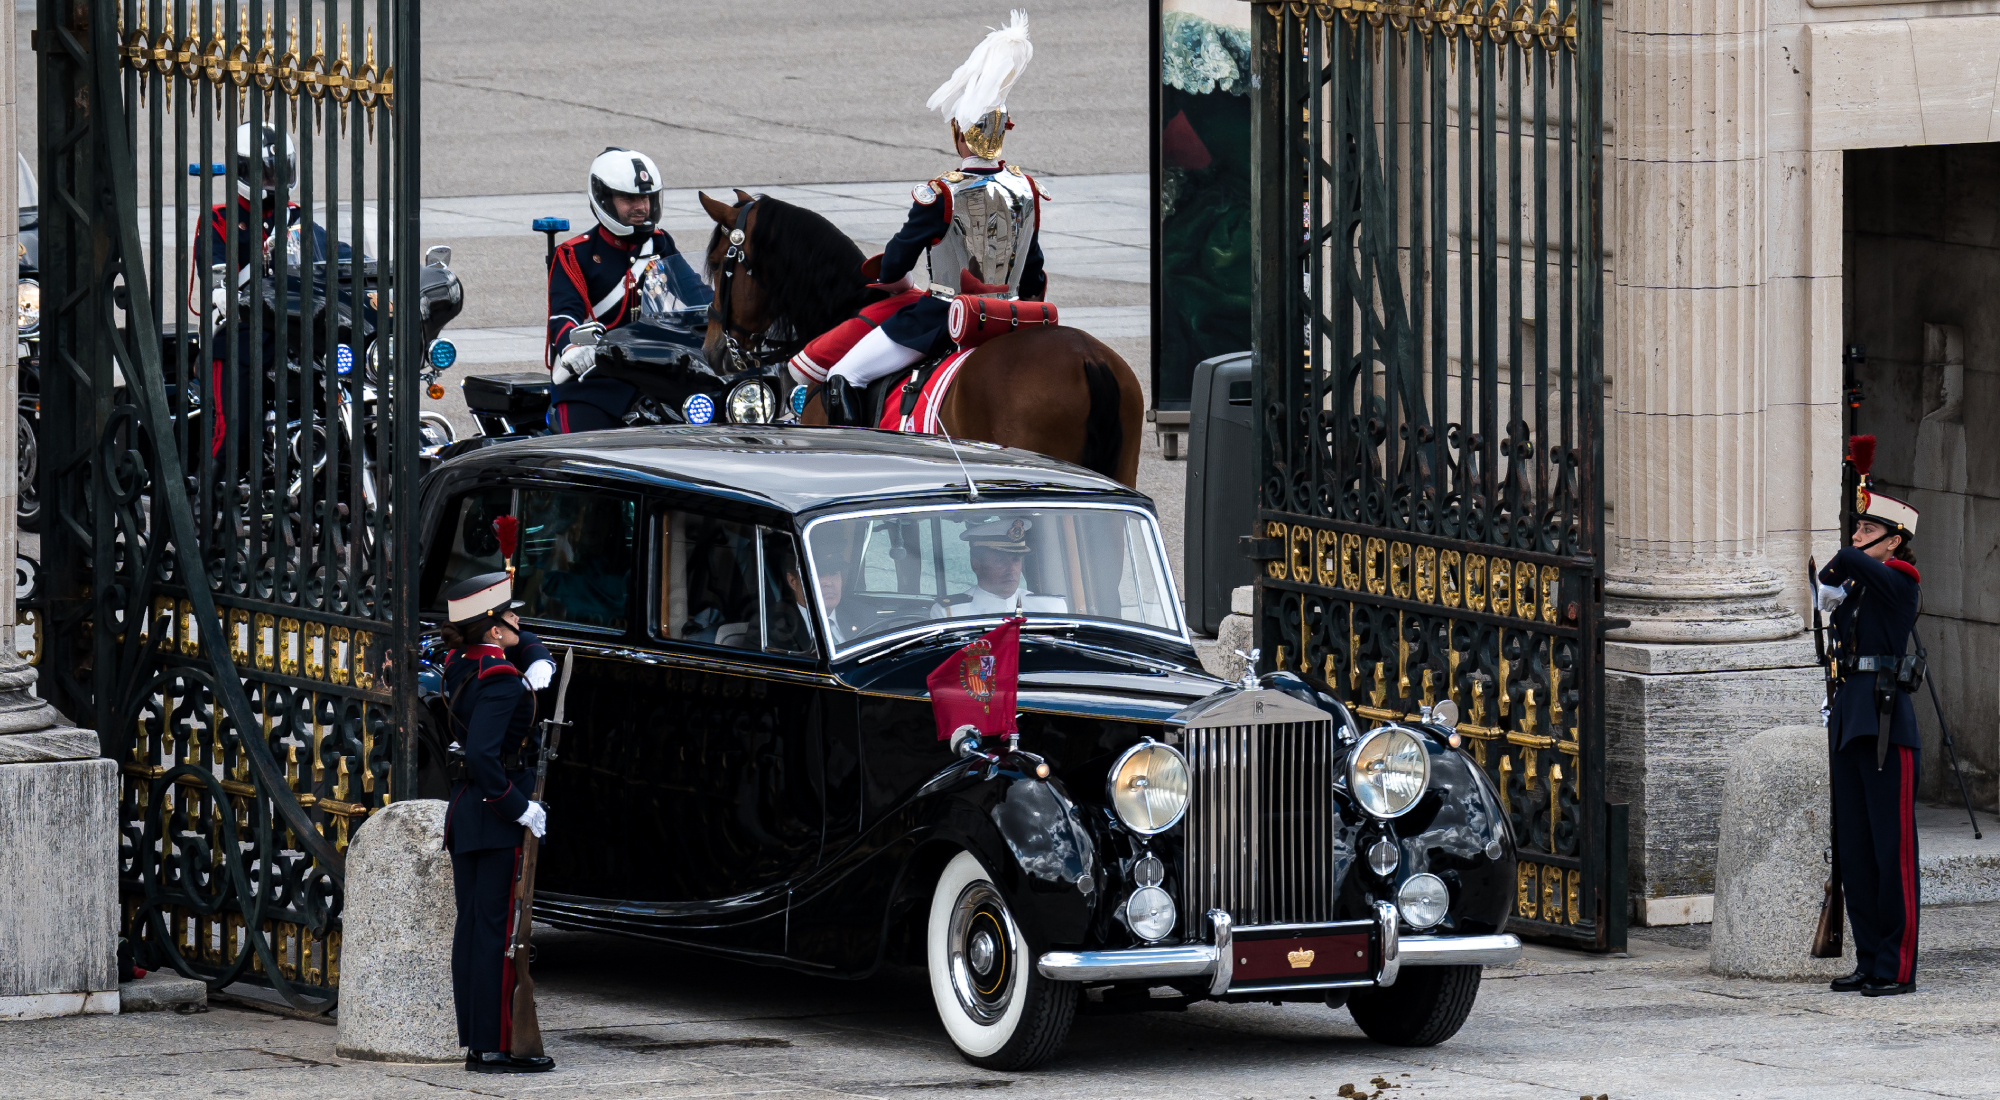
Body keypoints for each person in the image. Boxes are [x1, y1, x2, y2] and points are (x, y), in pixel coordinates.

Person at [806, 11, 1050, 425]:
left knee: (845, 373)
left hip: (942, 319)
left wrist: (894, 274)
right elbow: (1034, 273)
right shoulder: (1028, 188)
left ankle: (857, 456)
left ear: (960, 133)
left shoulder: (942, 192)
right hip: (1010, 317)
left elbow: (897, 263)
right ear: (1002, 132)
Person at [1814, 449, 1922, 998]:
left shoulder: (1899, 580)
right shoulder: (1860, 587)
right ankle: (1866, 956)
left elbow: (1843, 561)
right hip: (1850, 723)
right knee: (1855, 850)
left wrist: (1851, 551)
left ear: (1895, 539)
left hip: (1886, 726)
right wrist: (1849, 552)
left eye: (1870, 527)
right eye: (1858, 525)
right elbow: (1829, 579)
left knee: (1891, 852)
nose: (1858, 534)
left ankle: (1896, 965)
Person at [439, 572, 557, 1072]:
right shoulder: (502, 681)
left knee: (473, 929)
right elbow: (486, 758)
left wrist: (535, 653)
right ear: (491, 631)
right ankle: (489, 1048)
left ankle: (478, 1039)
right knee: (492, 932)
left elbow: (518, 636)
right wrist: (520, 808)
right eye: (509, 617)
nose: (518, 622)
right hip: (494, 816)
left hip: (467, 812)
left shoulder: (459, 662)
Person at [546, 147, 713, 433]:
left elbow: (697, 296)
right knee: (585, 450)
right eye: (629, 198)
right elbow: (563, 316)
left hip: (656, 372)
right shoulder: (575, 254)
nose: (642, 207)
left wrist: (735, 317)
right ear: (604, 199)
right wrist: (573, 347)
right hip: (595, 380)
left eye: (646, 197)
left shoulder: (660, 244)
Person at [931, 518, 1067, 618]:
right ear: (976, 565)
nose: (1012, 569)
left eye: (1016, 559)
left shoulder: (1050, 608)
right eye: (1000, 560)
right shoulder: (950, 614)